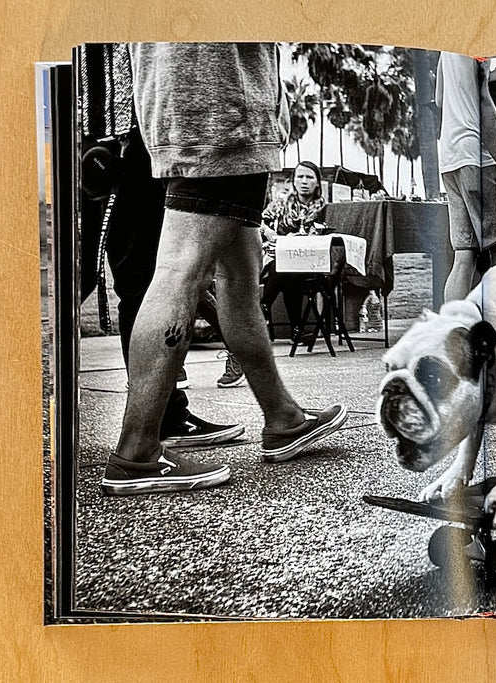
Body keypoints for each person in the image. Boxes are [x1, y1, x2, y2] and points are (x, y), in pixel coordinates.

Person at [100, 42, 347, 496]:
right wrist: (270, 95)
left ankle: (283, 417)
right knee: (181, 270)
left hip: (187, 98)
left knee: (239, 271)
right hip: (222, 103)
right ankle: (137, 451)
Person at [78, 45, 244, 454]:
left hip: (115, 125)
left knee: (135, 274)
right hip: (118, 131)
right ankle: (159, 422)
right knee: (137, 275)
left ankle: (166, 413)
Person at [436, 53, 496, 302]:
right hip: (478, 157)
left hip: (451, 157)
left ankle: (451, 329)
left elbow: (440, 99)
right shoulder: (477, 45)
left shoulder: (446, 49)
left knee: (464, 255)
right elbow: (483, 101)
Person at [260, 160, 328, 341]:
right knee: (288, 269)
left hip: (311, 260)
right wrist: (268, 231)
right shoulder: (281, 204)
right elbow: (260, 222)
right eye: (300, 177)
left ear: (317, 182)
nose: (304, 181)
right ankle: (296, 329)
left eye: (309, 177)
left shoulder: (324, 207)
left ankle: (264, 305)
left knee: (289, 266)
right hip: (278, 258)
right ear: (293, 181)